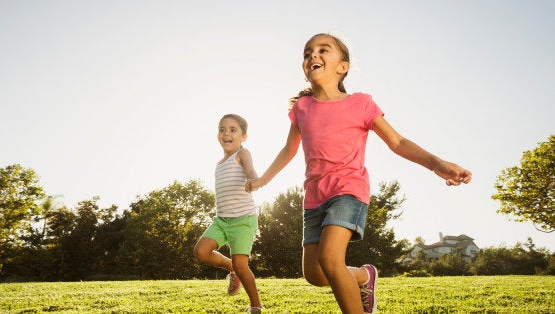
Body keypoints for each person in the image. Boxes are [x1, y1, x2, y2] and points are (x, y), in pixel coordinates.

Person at [246, 33, 472, 314]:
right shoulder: (302, 108)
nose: (313, 55)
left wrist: (435, 163)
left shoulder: (361, 103)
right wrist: (262, 180)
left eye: (323, 50)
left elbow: (398, 142)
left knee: (330, 260)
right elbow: (288, 151)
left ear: (343, 66)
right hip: (314, 197)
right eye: (307, 53)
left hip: (348, 191)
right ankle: (364, 276)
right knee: (315, 275)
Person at [193, 114, 263, 313]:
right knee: (201, 252)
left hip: (243, 220)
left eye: (233, 130)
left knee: (242, 265)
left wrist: (254, 180)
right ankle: (232, 268)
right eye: (222, 129)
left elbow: (251, 170)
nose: (226, 133)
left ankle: (256, 306)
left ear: (243, 136)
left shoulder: (242, 153)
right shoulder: (219, 164)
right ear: (218, 135)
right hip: (221, 220)